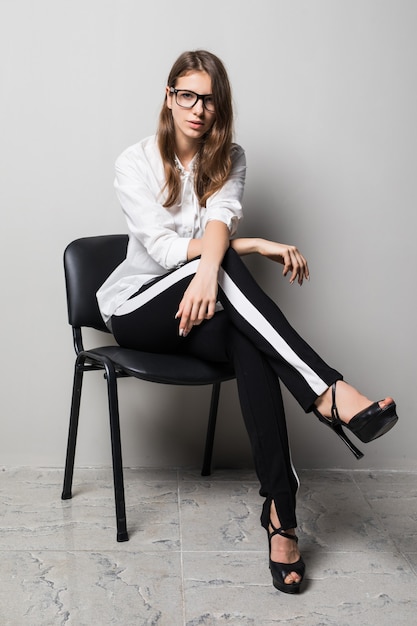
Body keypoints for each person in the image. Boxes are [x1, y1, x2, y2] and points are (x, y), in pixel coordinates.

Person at [97, 50, 398, 594]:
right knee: (227, 265)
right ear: (169, 97)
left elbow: (217, 220)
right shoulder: (134, 162)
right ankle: (329, 391)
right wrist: (240, 251)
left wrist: (221, 260)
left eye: (208, 99)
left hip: (201, 307)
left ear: (220, 106)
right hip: (139, 310)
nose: (197, 108)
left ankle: (282, 515)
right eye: (186, 95)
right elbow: (165, 251)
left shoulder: (229, 157)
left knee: (248, 341)